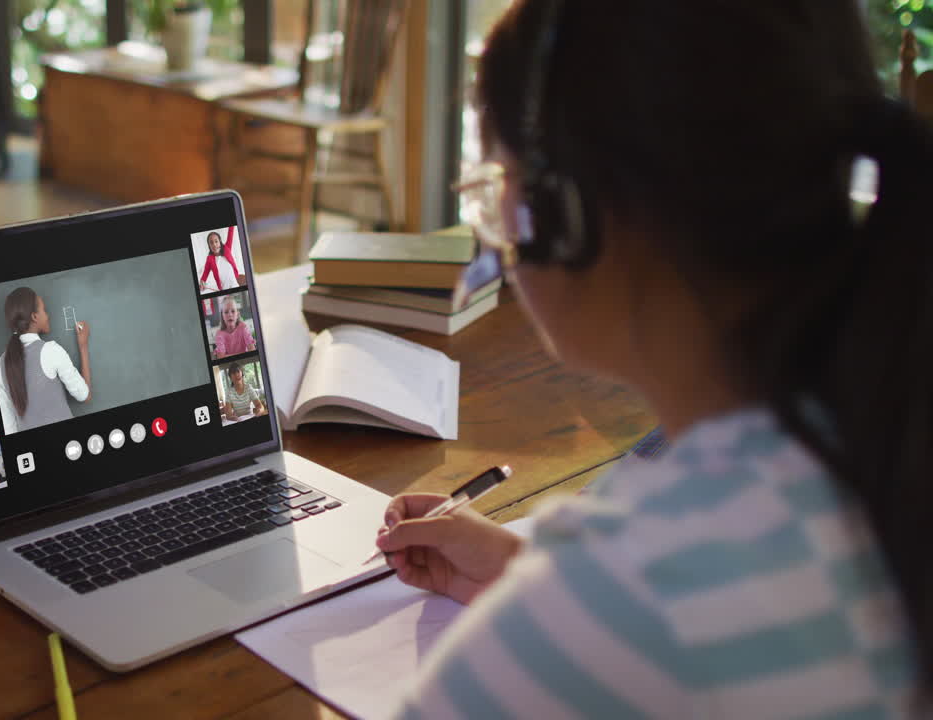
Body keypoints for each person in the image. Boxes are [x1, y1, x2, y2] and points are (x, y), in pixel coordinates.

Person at [374, 1, 929, 716]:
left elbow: (663, 608)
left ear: (568, 211)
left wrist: (569, 612)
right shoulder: (879, 437)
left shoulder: (635, 588)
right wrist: (532, 579)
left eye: (496, 185)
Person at [0, 287, 92, 434]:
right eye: (44, 310)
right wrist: (83, 346)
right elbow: (85, 395)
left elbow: (9, 428)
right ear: (34, 316)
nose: (48, 316)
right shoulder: (50, 351)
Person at [212, 295, 257, 359]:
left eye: (233, 311)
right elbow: (221, 357)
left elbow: (252, 350)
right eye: (226, 312)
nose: (230, 315)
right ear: (222, 315)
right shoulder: (219, 334)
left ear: (237, 314)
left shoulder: (243, 328)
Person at [198, 228, 242, 292]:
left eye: (216, 241)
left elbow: (231, 232)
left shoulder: (227, 248)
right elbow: (205, 274)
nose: (214, 244)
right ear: (209, 246)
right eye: (211, 243)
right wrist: (202, 283)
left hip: (235, 286)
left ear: (220, 242)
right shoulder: (209, 259)